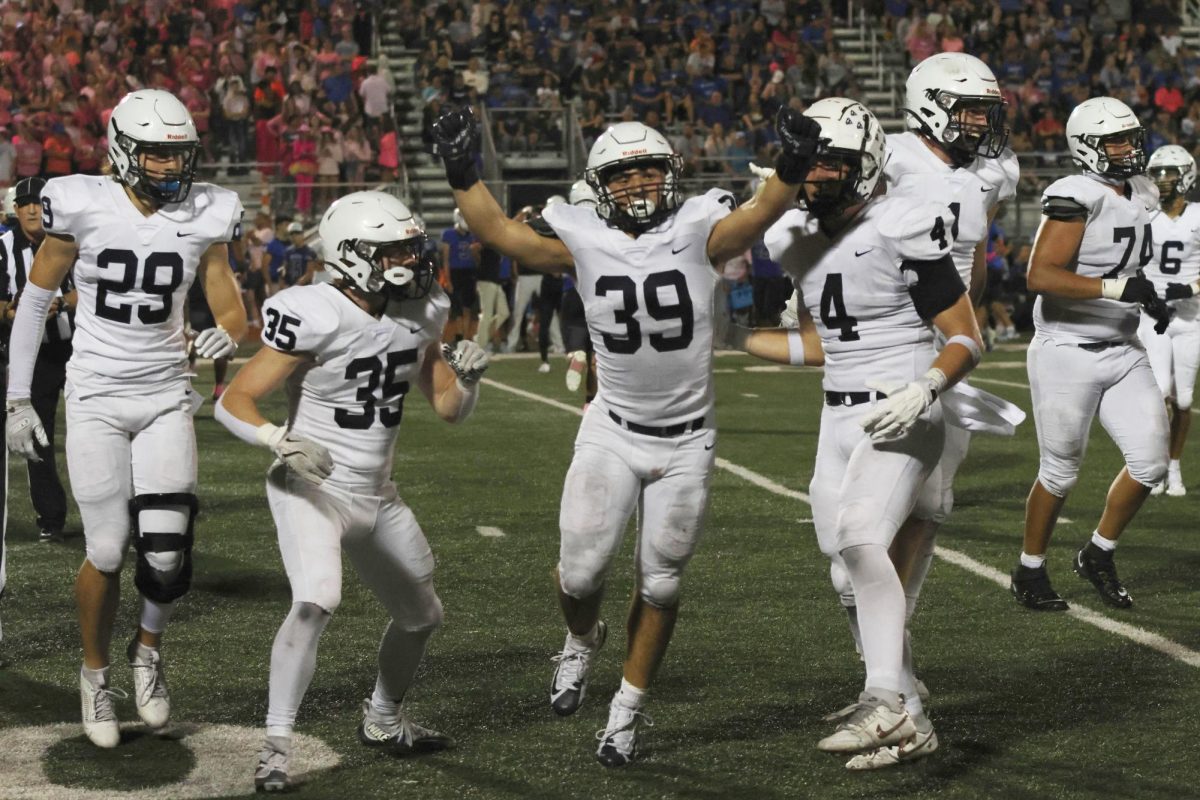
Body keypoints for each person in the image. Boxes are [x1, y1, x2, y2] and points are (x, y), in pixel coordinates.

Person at [430, 103, 821, 765]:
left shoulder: (701, 224)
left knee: (661, 583)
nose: (639, 184)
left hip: (687, 440)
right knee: (579, 576)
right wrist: (461, 169)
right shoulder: (580, 233)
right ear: (600, 183)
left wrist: (792, 162)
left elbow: (761, 211)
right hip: (611, 427)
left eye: (649, 171)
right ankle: (582, 641)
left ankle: (625, 713)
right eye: (624, 174)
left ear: (669, 174)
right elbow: (499, 232)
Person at [732, 97, 983, 768]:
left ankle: (885, 700)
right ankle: (913, 714)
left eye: (832, 164)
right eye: (810, 165)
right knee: (847, 574)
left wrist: (927, 386)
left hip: (903, 406)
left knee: (863, 539)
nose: (817, 177)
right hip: (836, 412)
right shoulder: (790, 236)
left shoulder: (904, 224)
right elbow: (828, 342)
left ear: (868, 166)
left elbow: (967, 337)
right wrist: (733, 338)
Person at [215, 191, 484, 792]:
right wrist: (277, 441)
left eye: (411, 248)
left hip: (377, 493)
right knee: (317, 599)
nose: (411, 261)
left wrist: (467, 381)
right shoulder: (313, 310)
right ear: (352, 255)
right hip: (310, 482)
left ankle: (382, 720)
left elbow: (447, 408)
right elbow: (232, 400)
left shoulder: (424, 310)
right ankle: (276, 747)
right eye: (393, 251)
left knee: (421, 616)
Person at [4, 89, 246, 748]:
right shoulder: (80, 202)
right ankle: (95, 674)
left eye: (179, 155)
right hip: (97, 397)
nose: (171, 168)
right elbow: (35, 301)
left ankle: (148, 651)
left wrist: (228, 332)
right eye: (157, 155)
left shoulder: (206, 213)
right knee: (107, 548)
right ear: (123, 151)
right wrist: (19, 397)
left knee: (166, 553)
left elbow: (229, 304)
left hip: (167, 393)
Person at [868, 51, 1022, 713]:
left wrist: (971, 322)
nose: (981, 122)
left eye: (986, 110)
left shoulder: (987, 174)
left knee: (929, 511)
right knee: (866, 523)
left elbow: (974, 257)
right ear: (928, 104)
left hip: (945, 349)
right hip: (887, 344)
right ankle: (883, 658)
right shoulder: (892, 157)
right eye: (969, 109)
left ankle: (893, 650)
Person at [1010, 97, 1170, 612]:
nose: (1129, 149)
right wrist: (1118, 290)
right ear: (1087, 148)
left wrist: (1148, 294)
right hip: (1067, 348)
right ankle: (1029, 570)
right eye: (1116, 141)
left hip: (1123, 346)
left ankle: (1098, 552)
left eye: (1131, 137)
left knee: (1150, 463)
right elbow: (1040, 276)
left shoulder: (1141, 190)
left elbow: (1131, 262)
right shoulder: (1075, 193)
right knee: (1060, 472)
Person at [0, 177, 75, 543]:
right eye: (24, 203)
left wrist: (60, 302)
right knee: (38, 434)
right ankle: (51, 516)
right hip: (35, 356)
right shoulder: (2, 248)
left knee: (92, 432)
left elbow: (89, 291)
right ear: (15, 210)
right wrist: (14, 313)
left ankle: (117, 509)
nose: (31, 209)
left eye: (37, 202)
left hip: (80, 349)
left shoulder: (72, 240)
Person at [1142, 145, 1200, 497]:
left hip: (1192, 317)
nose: (1162, 181)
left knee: (1183, 399)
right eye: (1157, 173)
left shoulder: (1198, 216)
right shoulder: (1144, 214)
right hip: (1153, 316)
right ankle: (1160, 465)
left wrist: (1191, 286)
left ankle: (1174, 468)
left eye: (1169, 174)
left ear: (1187, 176)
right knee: (1161, 392)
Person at [440, 208, 479, 342]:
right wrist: (448, 280)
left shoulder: (472, 235)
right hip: (455, 272)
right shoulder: (449, 234)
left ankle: (466, 337)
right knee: (456, 309)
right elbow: (446, 259)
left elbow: (476, 258)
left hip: (469, 273)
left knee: (467, 307)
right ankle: (458, 335)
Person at [281, 221, 320, 288]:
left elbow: (309, 273)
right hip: (290, 288)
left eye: (297, 233)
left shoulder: (309, 252)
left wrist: (296, 285)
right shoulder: (288, 252)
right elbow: (285, 269)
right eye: (291, 234)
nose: (294, 236)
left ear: (302, 234)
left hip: (305, 288)